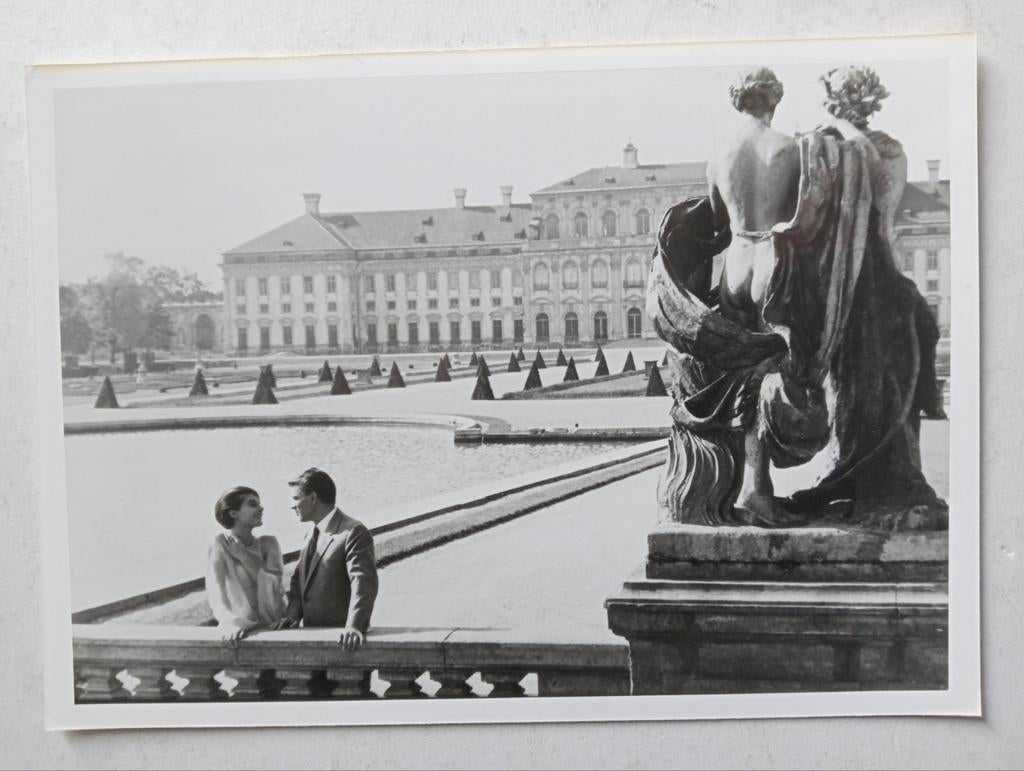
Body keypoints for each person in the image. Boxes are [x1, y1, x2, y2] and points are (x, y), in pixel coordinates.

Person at [270, 467, 378, 652]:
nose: (292, 505)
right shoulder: (311, 533)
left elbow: (363, 584)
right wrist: (292, 616)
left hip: (344, 644)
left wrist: (354, 626)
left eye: (296, 498)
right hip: (312, 639)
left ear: (313, 498)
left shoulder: (353, 532)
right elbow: (298, 582)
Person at [205, 486, 287, 645]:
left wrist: (243, 556)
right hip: (242, 630)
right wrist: (230, 624)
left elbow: (275, 587)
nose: (261, 508)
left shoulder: (269, 543)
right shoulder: (219, 544)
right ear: (233, 513)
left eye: (259, 504)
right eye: (253, 504)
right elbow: (217, 594)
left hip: (275, 626)